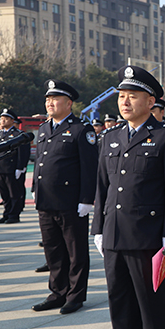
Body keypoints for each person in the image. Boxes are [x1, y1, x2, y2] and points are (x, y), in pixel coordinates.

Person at [92, 65, 165, 329]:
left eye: (133, 96)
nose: (125, 102)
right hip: (114, 236)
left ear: (151, 101)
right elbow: (102, 188)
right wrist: (97, 228)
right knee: (119, 304)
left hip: (148, 238)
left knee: (151, 306)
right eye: (122, 96)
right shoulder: (111, 137)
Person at [31, 80, 98, 315]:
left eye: (55, 99)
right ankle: (57, 292)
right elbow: (41, 161)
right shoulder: (43, 129)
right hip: (46, 201)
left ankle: (75, 295)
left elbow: (90, 168)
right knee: (53, 250)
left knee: (75, 251)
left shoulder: (81, 129)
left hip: (71, 202)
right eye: (47, 99)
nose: (50, 102)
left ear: (69, 103)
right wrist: (35, 188)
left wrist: (86, 200)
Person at [0, 109, 29, 224]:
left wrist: (20, 167)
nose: (2, 120)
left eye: (5, 118)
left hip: (12, 168)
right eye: (1, 118)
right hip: (0, 169)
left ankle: (14, 215)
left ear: (12, 120)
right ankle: (7, 213)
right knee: (4, 193)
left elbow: (23, 152)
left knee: (14, 193)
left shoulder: (18, 135)